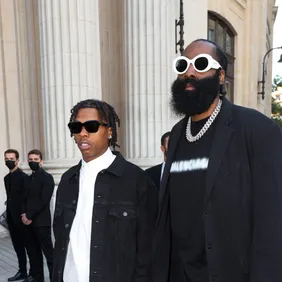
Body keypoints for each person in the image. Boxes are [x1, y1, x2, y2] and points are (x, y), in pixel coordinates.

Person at [152, 38, 282, 282]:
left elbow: (272, 222)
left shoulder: (256, 129)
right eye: (183, 65)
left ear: (221, 76)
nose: (190, 72)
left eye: (201, 64)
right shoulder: (179, 132)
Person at [52, 99, 158, 282]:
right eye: (76, 127)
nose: (82, 133)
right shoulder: (68, 180)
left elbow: (149, 250)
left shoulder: (137, 180)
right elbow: (61, 240)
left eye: (91, 126)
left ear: (109, 131)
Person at [21, 149, 54, 282]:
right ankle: (37, 277)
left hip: (41, 221)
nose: (32, 162)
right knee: (33, 252)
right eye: (30, 160)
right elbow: (23, 199)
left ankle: (55, 278)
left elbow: (44, 200)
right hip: (28, 222)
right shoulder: (27, 179)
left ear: (41, 161)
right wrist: (23, 214)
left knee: (49, 253)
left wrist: (29, 216)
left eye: (35, 160)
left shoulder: (47, 178)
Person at [4, 149, 29, 281]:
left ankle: (33, 273)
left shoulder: (24, 177)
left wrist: (24, 215)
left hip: (22, 217)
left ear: (17, 160)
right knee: (17, 246)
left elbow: (25, 198)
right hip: (11, 218)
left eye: (11, 159)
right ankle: (22, 271)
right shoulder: (6, 178)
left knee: (28, 246)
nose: (9, 161)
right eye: (6, 158)